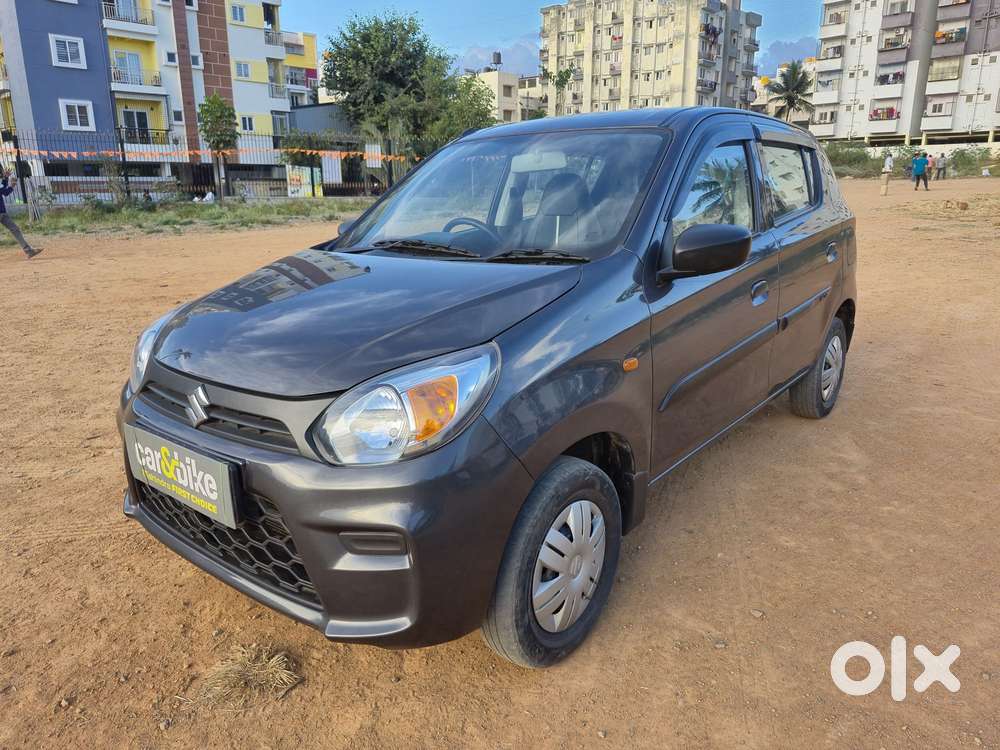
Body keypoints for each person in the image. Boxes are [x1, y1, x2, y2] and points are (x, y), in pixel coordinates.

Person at [0, 168, 41, 259]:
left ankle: (29, 251)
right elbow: (4, 190)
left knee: (15, 229)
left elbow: (3, 190)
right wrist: (10, 184)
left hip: (2, 212)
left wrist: (7, 180)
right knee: (15, 229)